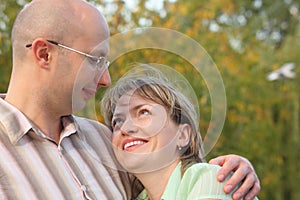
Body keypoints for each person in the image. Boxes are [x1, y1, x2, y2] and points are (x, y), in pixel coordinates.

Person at [0, 0, 259, 199]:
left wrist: (233, 170)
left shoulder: (104, 141)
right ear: (44, 54)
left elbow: (175, 176)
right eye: (95, 60)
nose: (105, 80)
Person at [101, 65, 259, 200]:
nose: (125, 128)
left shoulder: (210, 177)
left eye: (143, 112)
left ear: (183, 135)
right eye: (118, 121)